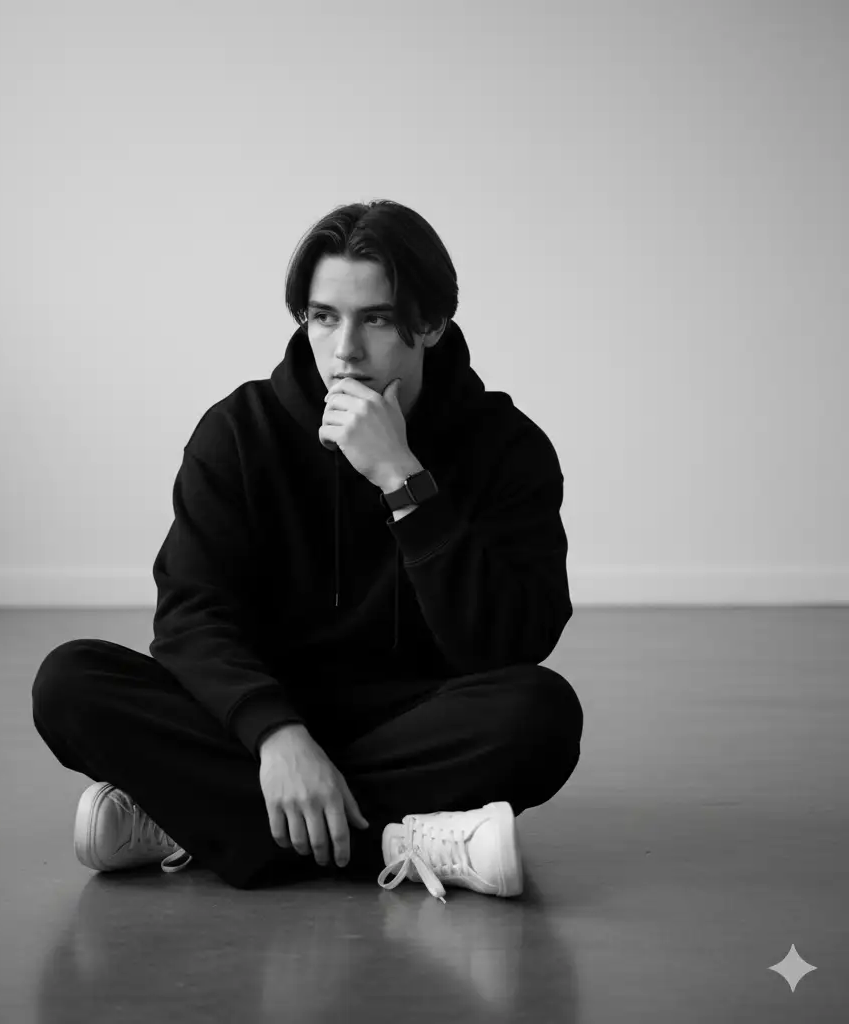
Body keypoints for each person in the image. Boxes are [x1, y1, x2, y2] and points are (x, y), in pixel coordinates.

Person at [32, 199, 584, 902]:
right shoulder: (240, 431)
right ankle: (401, 840)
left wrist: (403, 480)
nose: (345, 349)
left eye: (375, 319)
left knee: (541, 715)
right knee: (70, 682)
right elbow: (192, 618)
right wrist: (277, 737)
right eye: (324, 317)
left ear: (431, 324)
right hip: (258, 726)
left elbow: (511, 641)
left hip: (411, 721)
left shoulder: (507, 447)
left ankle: (196, 821)